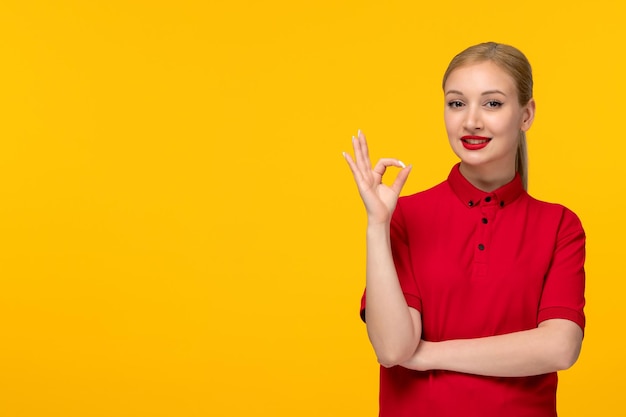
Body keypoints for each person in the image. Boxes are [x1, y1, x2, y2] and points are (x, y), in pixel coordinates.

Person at [342, 42, 585, 417]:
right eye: (457, 103)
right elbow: (392, 349)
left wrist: (427, 356)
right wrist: (377, 224)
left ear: (526, 114)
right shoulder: (405, 216)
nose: (471, 121)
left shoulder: (559, 226)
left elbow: (559, 348)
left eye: (492, 103)